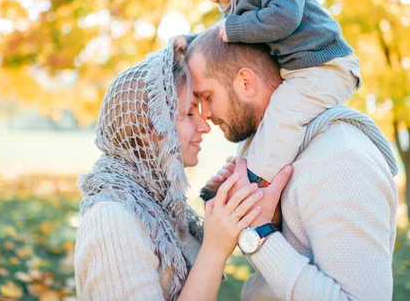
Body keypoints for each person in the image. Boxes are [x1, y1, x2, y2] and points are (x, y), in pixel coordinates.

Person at [186, 26, 399, 300]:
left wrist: (258, 232)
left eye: (207, 97)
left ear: (245, 83)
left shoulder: (339, 159)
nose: (206, 116)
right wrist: (271, 221)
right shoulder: (267, 153)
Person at [73, 37, 293, 301]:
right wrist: (214, 249)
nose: (204, 125)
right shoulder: (112, 220)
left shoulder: (160, 206)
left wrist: (218, 205)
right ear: (149, 131)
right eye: (189, 113)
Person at [175, 0, 362, 185]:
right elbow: (219, 36)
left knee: (284, 112)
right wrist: (189, 42)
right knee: (267, 125)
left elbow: (284, 17)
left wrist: (233, 27)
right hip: (302, 71)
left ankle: (257, 181)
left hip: (326, 65)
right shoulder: (237, 1)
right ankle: (242, 169)